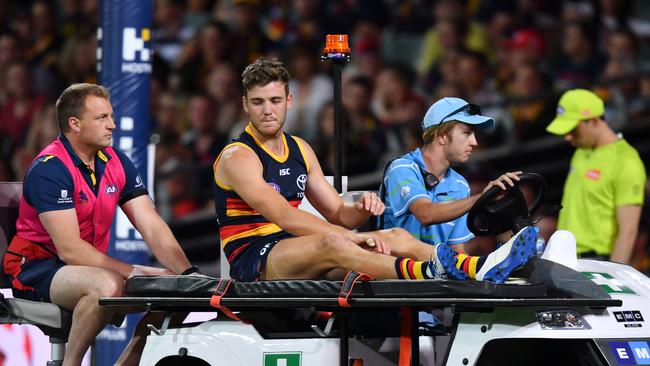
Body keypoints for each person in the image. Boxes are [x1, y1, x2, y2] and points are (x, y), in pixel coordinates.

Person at [212, 57, 537, 286]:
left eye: (274, 100)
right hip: (255, 260)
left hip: (298, 250)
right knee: (335, 243)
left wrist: (359, 210)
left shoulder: (300, 149)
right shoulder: (238, 156)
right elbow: (284, 216)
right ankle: (428, 272)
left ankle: (481, 267)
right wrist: (354, 237)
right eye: (258, 102)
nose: (268, 110)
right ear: (245, 104)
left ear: (289, 100)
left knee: (396, 236)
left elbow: (337, 212)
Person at [2, 83, 197, 366]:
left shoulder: (117, 161)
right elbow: (70, 251)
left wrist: (188, 275)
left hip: (83, 268)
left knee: (176, 293)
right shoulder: (50, 168)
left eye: (111, 116)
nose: (112, 125)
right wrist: (135, 271)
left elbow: (152, 226)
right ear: (75, 124)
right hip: (35, 268)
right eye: (102, 118)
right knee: (105, 285)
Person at [381, 97, 524, 255]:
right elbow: (425, 214)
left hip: (433, 275)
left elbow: (457, 251)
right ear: (441, 135)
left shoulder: (460, 185)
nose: (474, 142)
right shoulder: (402, 168)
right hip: (395, 275)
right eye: (467, 133)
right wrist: (482, 197)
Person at [546, 88, 646, 263]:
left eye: (573, 129)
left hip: (598, 262)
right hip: (566, 259)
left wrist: (614, 275)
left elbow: (628, 231)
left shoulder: (626, 160)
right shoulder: (580, 152)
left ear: (593, 121)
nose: (568, 137)